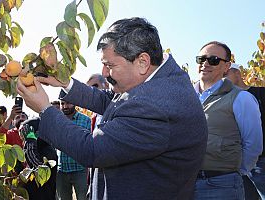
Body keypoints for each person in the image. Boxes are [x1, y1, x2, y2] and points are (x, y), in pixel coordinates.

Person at [16, 17, 208, 199]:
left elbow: (91, 150)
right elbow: (115, 102)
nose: (104, 73)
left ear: (142, 62)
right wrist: (66, 83)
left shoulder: (157, 105)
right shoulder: (161, 80)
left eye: (109, 65)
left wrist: (44, 109)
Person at [193, 41, 262, 200]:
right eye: (201, 59)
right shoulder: (186, 98)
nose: (205, 63)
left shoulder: (241, 98)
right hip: (185, 183)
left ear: (226, 66)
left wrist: (233, 171)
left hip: (222, 186)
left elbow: (253, 144)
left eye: (214, 60)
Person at [226, 63, 265, 199]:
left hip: (261, 162)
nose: (223, 78)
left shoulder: (261, 93)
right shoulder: (227, 101)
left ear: (237, 73)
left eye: (226, 74)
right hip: (239, 166)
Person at [56, 100, 90, 200]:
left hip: (80, 169)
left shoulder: (85, 120)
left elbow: (89, 144)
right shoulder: (57, 121)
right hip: (61, 170)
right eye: (62, 103)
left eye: (68, 103)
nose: (65, 106)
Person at [19, 118, 58, 200]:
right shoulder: (37, 148)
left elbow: (39, 169)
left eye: (24, 135)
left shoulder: (47, 151)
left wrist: (30, 142)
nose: (23, 139)